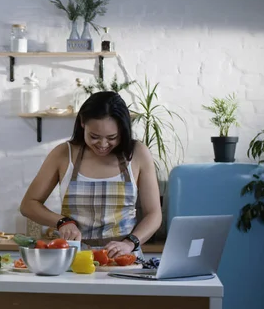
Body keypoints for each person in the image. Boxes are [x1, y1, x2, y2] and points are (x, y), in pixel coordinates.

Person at [19, 91, 162, 259]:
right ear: (82, 123)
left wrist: (130, 243)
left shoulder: (137, 153)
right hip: (74, 256)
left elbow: (154, 214)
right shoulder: (64, 154)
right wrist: (62, 222)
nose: (102, 145)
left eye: (112, 137)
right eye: (94, 136)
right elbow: (28, 205)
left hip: (124, 257)